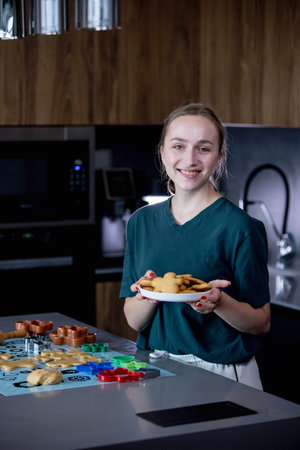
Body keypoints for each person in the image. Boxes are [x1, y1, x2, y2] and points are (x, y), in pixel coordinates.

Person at [120, 102, 270, 390]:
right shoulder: (141, 222)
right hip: (155, 368)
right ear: (162, 152)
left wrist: (219, 302)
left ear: (218, 157)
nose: (189, 159)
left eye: (203, 148)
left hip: (223, 373)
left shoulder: (241, 228)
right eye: (178, 146)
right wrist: (148, 294)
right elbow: (134, 320)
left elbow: (261, 323)